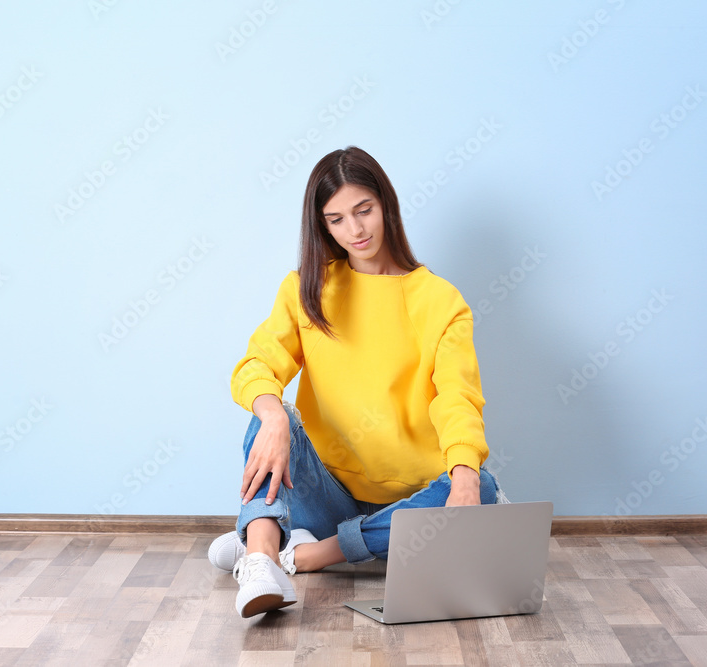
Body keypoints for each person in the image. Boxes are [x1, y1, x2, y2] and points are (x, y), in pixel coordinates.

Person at [209, 146, 502, 618]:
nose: (356, 230)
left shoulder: (440, 301)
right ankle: (262, 560)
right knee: (271, 415)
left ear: (386, 204)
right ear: (322, 226)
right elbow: (256, 365)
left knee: (483, 487)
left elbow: (457, 397)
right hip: (325, 494)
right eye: (337, 219)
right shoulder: (308, 287)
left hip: (407, 503)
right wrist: (272, 415)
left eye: (364, 211)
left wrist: (464, 477)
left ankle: (305, 553)